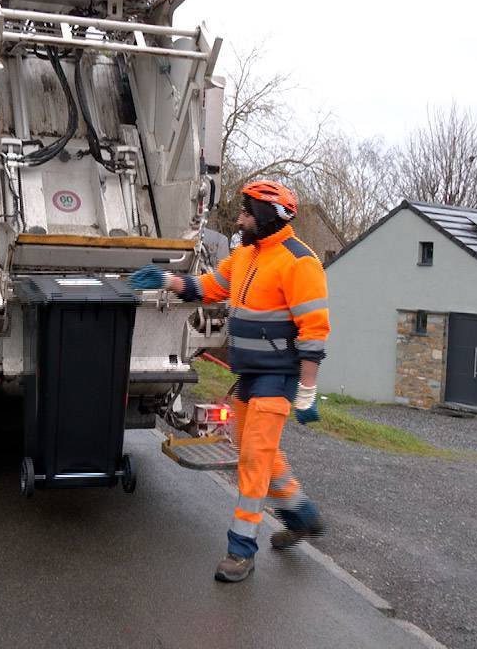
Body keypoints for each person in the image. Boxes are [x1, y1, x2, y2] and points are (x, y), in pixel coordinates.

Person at [128, 180, 330, 582]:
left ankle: (241, 552)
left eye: (246, 211)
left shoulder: (299, 262)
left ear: (269, 216)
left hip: (278, 378)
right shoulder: (245, 256)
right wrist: (166, 280)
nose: (240, 217)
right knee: (257, 449)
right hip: (250, 376)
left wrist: (307, 393)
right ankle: (303, 516)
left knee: (254, 459)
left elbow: (314, 333)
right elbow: (208, 287)